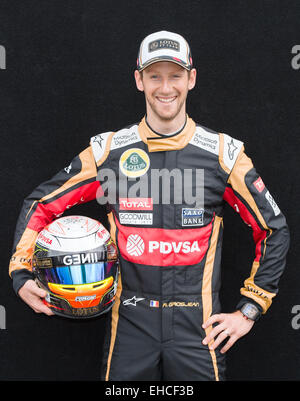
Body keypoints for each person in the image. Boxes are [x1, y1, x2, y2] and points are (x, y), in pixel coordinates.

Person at [9, 30, 289, 381]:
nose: (166, 87)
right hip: (128, 323)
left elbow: (273, 228)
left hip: (197, 327)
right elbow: (41, 203)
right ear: (139, 79)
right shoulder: (108, 152)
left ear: (192, 78)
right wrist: (20, 272)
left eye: (175, 75)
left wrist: (249, 309)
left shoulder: (224, 155)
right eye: (155, 75)